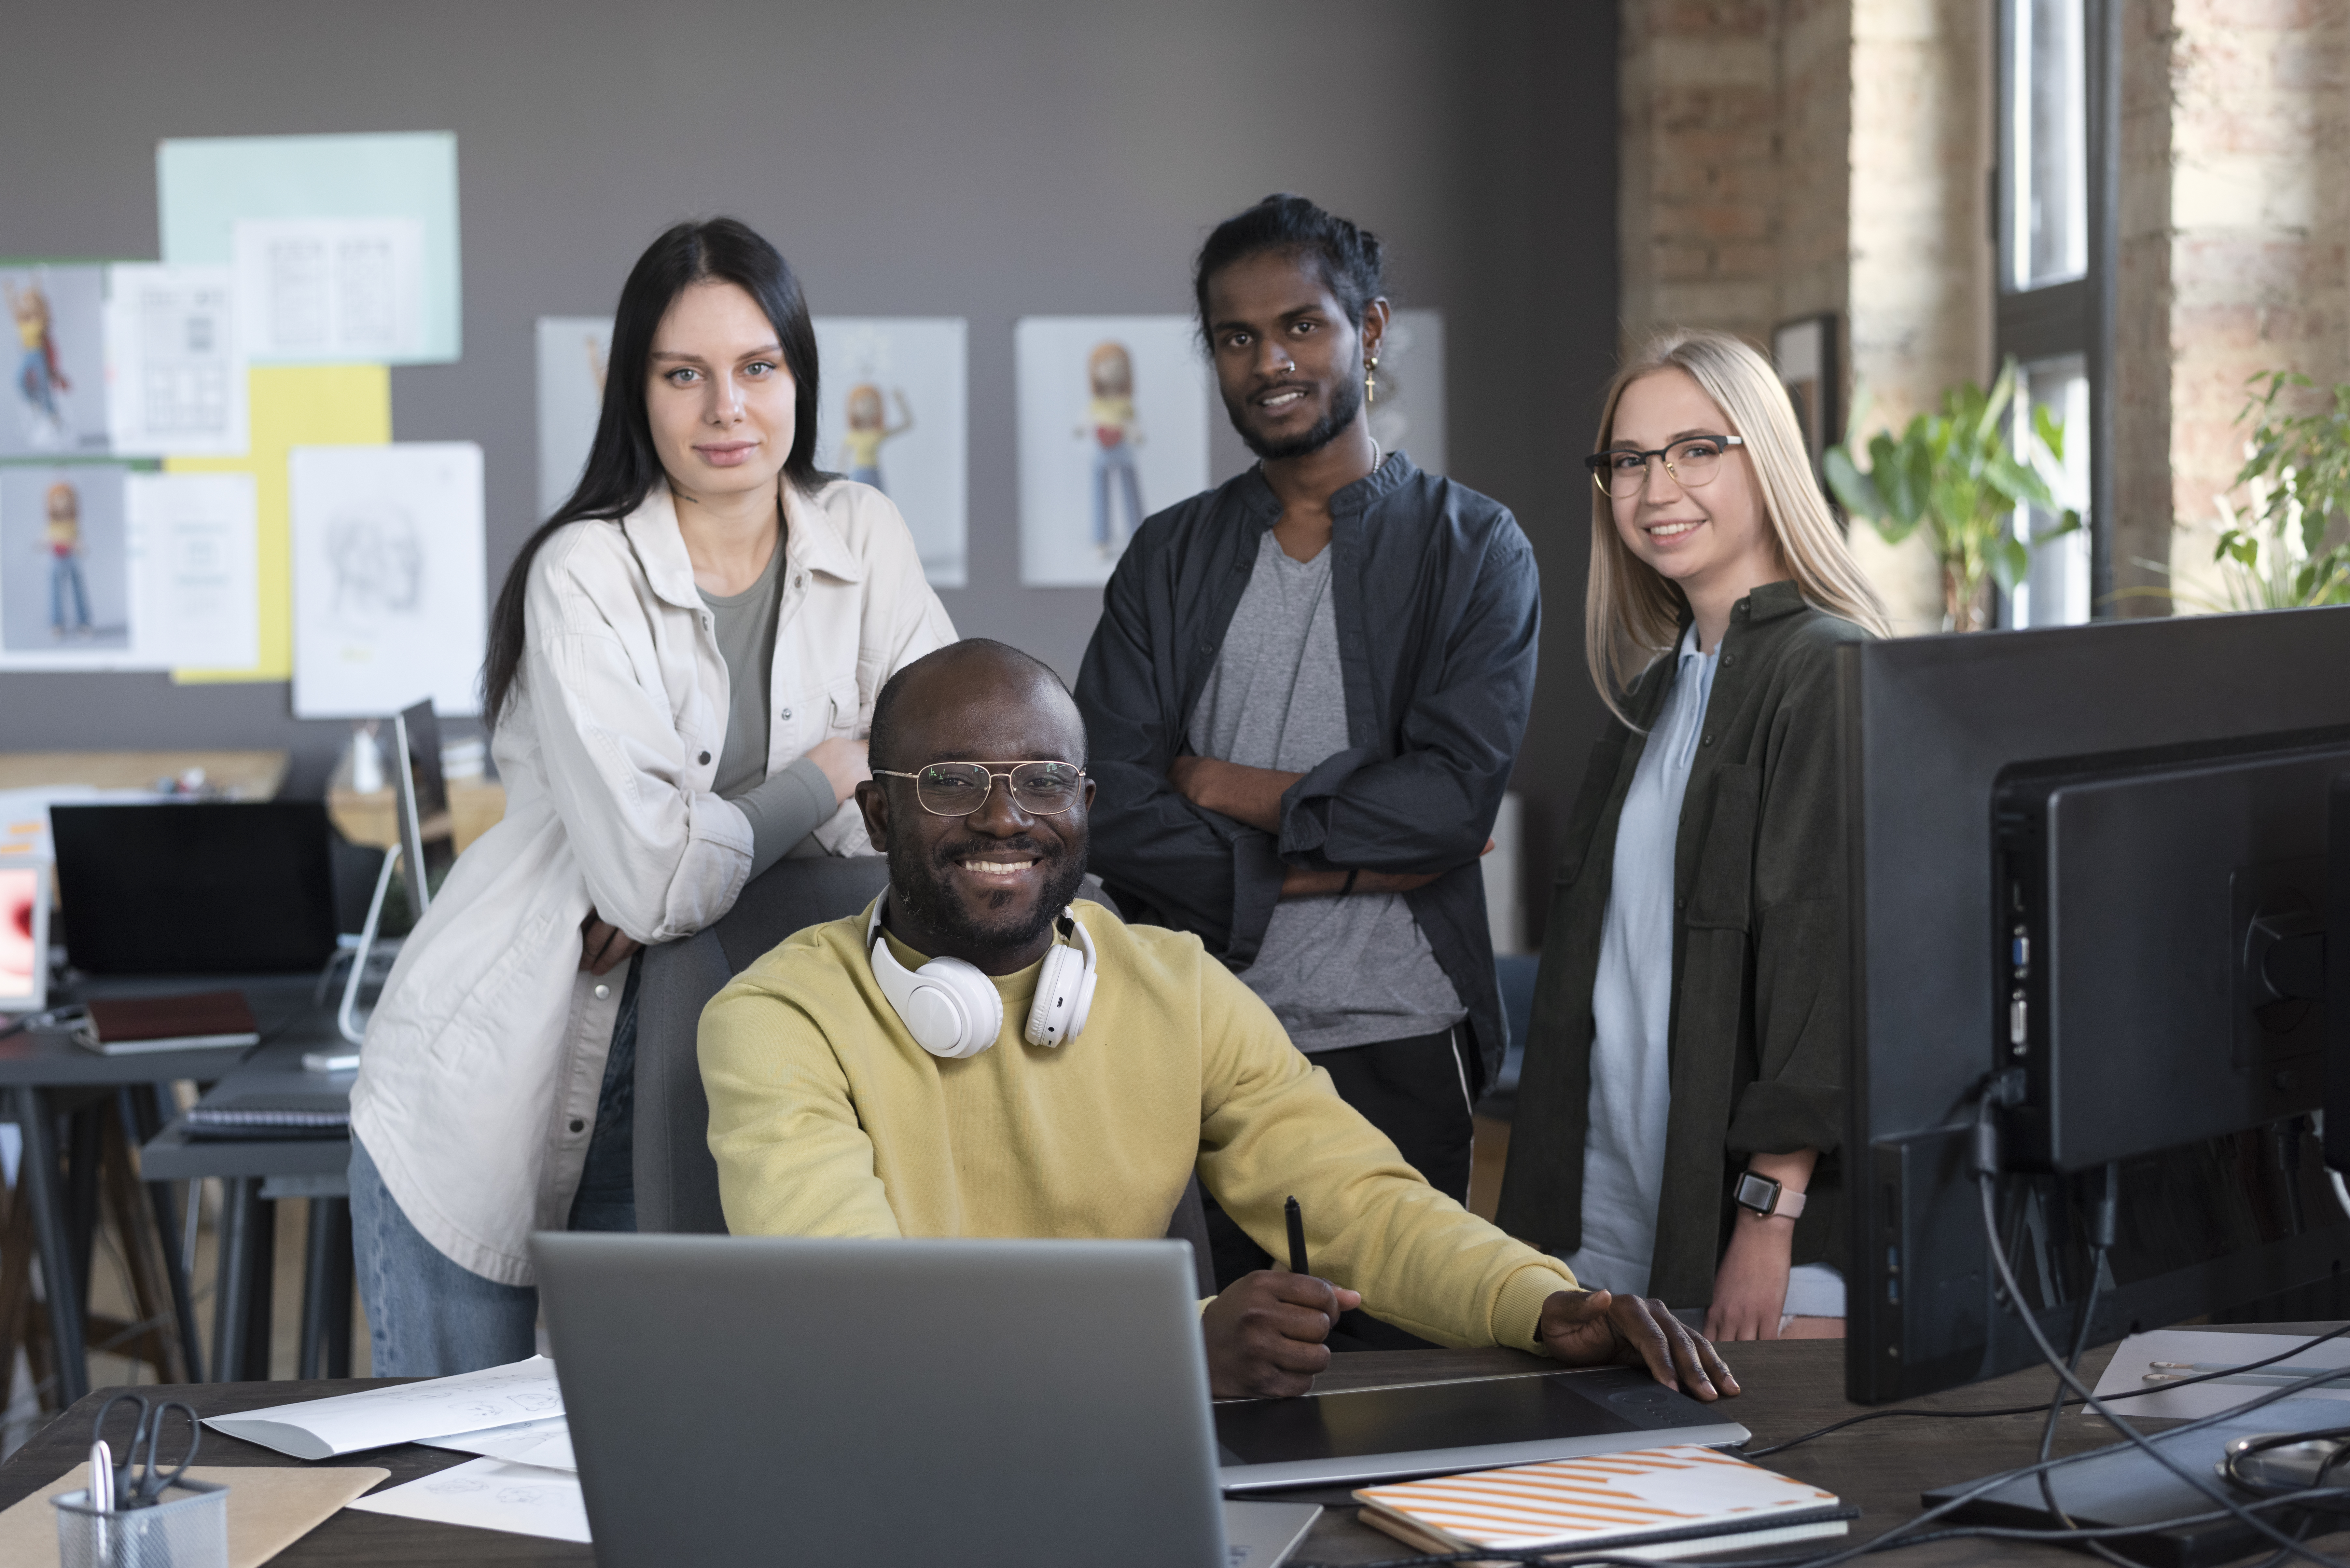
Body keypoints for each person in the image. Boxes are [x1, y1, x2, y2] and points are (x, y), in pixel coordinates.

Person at [699, 639, 1738, 1403]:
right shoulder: (778, 1016)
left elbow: (1358, 1201)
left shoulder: (1176, 987)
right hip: (902, 1474)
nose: (1004, 817)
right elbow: (860, 1321)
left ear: (1086, 806)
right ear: (880, 816)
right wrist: (1177, 1348)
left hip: (1134, 1462)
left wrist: (1540, 1303)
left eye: (1043, 780)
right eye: (953, 781)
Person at [348, 218, 956, 1375]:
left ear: (798, 377)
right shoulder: (583, 571)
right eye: (686, 374)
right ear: (638, 393)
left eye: (757, 368)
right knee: (457, 1513)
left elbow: (932, 796)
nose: (726, 407)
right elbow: (649, 878)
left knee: (674, 1471)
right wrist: (834, 768)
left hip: (737, 1063)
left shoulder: (865, 537)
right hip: (504, 1075)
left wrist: (699, 856)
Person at [1073, 195, 1536, 1287]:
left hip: (1399, 1036)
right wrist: (1328, 867)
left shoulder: (1473, 547)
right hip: (1196, 1037)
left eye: (1300, 326)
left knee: (1398, 1377)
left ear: (1367, 331)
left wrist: (1229, 785)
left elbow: (1448, 807)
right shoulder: (1167, 555)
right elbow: (1105, 801)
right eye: (1236, 337)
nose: (1268, 360)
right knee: (1212, 1380)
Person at [1495, 329, 1891, 1342]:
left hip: (1756, 1240)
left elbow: (1825, 965)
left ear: (1765, 456)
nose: (1655, 487)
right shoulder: (1655, 692)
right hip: (1617, 1206)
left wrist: (1769, 1213)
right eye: (1629, 460)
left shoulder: (1826, 671)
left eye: (1695, 450)